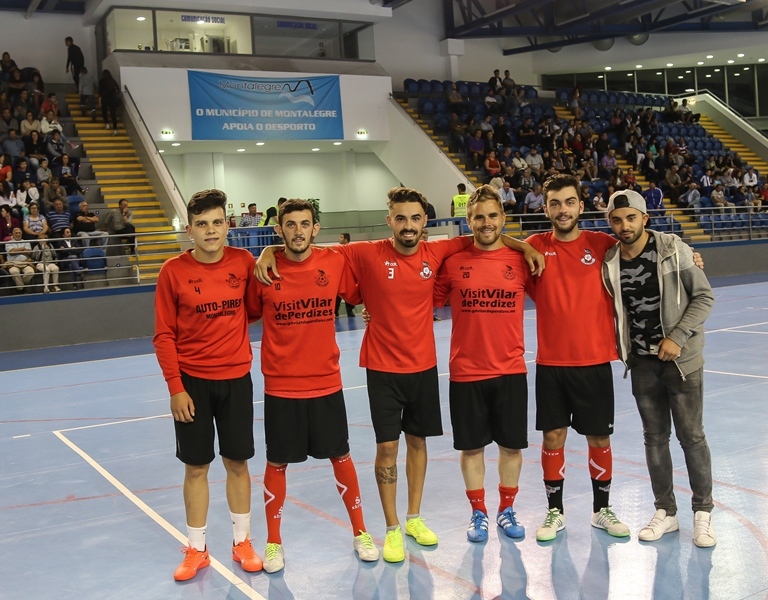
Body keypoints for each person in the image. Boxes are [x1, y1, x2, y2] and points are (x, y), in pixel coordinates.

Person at [255, 187, 544, 564]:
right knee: (387, 448)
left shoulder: (438, 251)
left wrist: (524, 246)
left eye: (416, 218)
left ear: (426, 222)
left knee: (418, 444)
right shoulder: (363, 251)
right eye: (401, 218)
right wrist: (267, 250)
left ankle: (413, 518)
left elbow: (485, 233)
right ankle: (392, 528)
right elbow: (303, 246)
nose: (408, 226)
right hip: (381, 368)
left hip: (423, 368)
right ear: (389, 220)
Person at [247, 200, 377, 573]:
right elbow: (246, 313)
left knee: (341, 456)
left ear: (316, 228)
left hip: (326, 383)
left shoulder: (333, 262)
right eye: (291, 225)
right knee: (277, 461)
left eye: (305, 224)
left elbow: (361, 293)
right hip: (281, 387)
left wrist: (372, 309)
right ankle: (273, 543)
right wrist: (266, 254)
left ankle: (361, 532)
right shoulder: (265, 271)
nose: (298, 231)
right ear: (279, 229)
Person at [152, 189, 263, 582]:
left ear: (228, 226)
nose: (210, 230)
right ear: (189, 230)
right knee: (196, 467)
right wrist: (175, 387)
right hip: (193, 385)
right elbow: (163, 335)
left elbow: (254, 309)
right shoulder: (172, 271)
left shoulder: (244, 261)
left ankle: (243, 542)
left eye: (217, 222)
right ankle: (197, 549)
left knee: (237, 462)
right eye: (202, 224)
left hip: (235, 379)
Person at [602, 189, 716, 547]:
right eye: (617, 220)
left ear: (644, 218)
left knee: (691, 437)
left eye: (631, 218)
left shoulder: (672, 248)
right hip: (642, 364)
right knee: (655, 438)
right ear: (611, 223)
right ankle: (666, 512)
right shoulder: (610, 262)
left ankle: (703, 513)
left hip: (681, 362)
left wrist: (678, 337)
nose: (624, 226)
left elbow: (704, 296)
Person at [525, 174, 630, 542]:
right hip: (551, 365)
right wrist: (522, 247)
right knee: (553, 437)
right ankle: (556, 512)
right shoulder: (534, 246)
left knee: (599, 438)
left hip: (594, 361)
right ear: (546, 208)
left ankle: (602, 510)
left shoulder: (602, 244)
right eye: (555, 203)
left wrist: (687, 252)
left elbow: (646, 244)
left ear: (581, 206)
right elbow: (491, 246)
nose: (562, 209)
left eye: (569, 202)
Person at [433, 185, 529, 543]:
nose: (486, 223)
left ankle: (506, 509)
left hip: (510, 370)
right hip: (466, 371)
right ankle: (478, 514)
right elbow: (419, 301)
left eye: (492, 216)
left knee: (510, 447)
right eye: (478, 217)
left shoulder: (521, 261)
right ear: (468, 220)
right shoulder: (454, 263)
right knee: (471, 448)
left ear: (503, 218)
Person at [4, 227, 35, 292]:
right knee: (14, 272)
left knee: (30, 272)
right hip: (13, 263)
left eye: (19, 233)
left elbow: (29, 252)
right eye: (16, 233)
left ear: (21, 234)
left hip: (25, 263)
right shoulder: (8, 243)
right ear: (13, 234)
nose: (18, 234)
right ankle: (21, 289)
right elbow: (11, 253)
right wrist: (22, 249)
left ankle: (19, 285)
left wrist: (16, 250)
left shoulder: (26, 242)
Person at [335, 232, 355, 317]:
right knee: (337, 294)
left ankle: (349, 310)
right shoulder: (337, 250)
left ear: (346, 240)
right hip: (339, 275)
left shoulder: (352, 250)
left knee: (349, 293)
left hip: (349, 276)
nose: (339, 238)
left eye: (341, 237)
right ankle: (335, 311)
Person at [98, 70, 120, 135]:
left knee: (104, 111)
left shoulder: (101, 81)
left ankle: (107, 124)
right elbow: (118, 89)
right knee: (113, 114)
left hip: (104, 99)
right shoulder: (113, 81)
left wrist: (100, 97)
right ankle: (115, 129)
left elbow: (100, 91)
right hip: (112, 99)